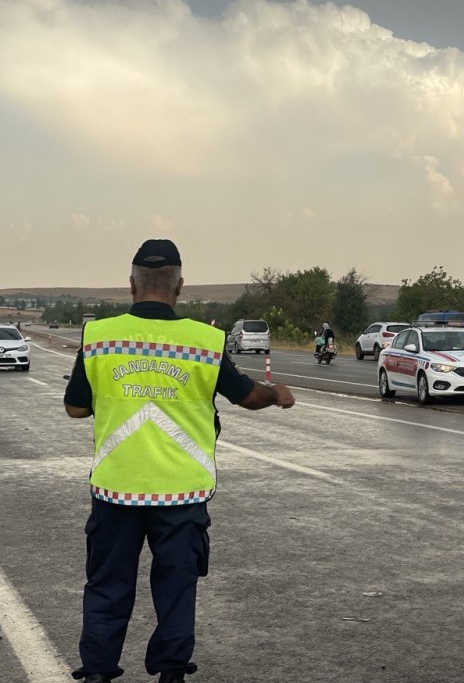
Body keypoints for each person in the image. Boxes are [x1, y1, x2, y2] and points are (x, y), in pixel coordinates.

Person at [63, 239, 295, 683]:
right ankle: (172, 674)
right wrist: (276, 394)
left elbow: (75, 407)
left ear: (132, 285)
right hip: (182, 492)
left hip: (116, 489)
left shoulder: (99, 337)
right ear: (180, 287)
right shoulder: (205, 341)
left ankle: (97, 673)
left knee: (107, 585)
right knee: (176, 587)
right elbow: (247, 396)